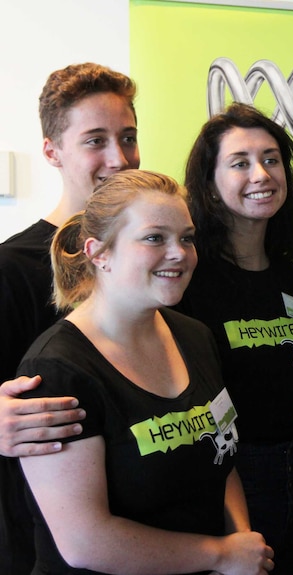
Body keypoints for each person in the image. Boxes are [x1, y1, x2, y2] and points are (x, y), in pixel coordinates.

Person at [16, 169, 274, 574]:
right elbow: (86, 541)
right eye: (155, 238)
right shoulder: (58, 369)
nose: (179, 253)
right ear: (99, 253)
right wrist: (221, 555)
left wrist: (240, 542)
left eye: (186, 238)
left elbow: (221, 457)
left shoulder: (195, 338)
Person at [0, 63, 138, 574]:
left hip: (150, 537)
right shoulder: (12, 270)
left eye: (128, 137)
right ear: (52, 151)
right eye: (95, 140)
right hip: (43, 548)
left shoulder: (149, 264)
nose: (119, 159)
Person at [178, 102, 293, 575]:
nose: (261, 174)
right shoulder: (188, 277)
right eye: (240, 163)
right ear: (210, 187)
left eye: (271, 159)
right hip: (226, 480)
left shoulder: (288, 272)